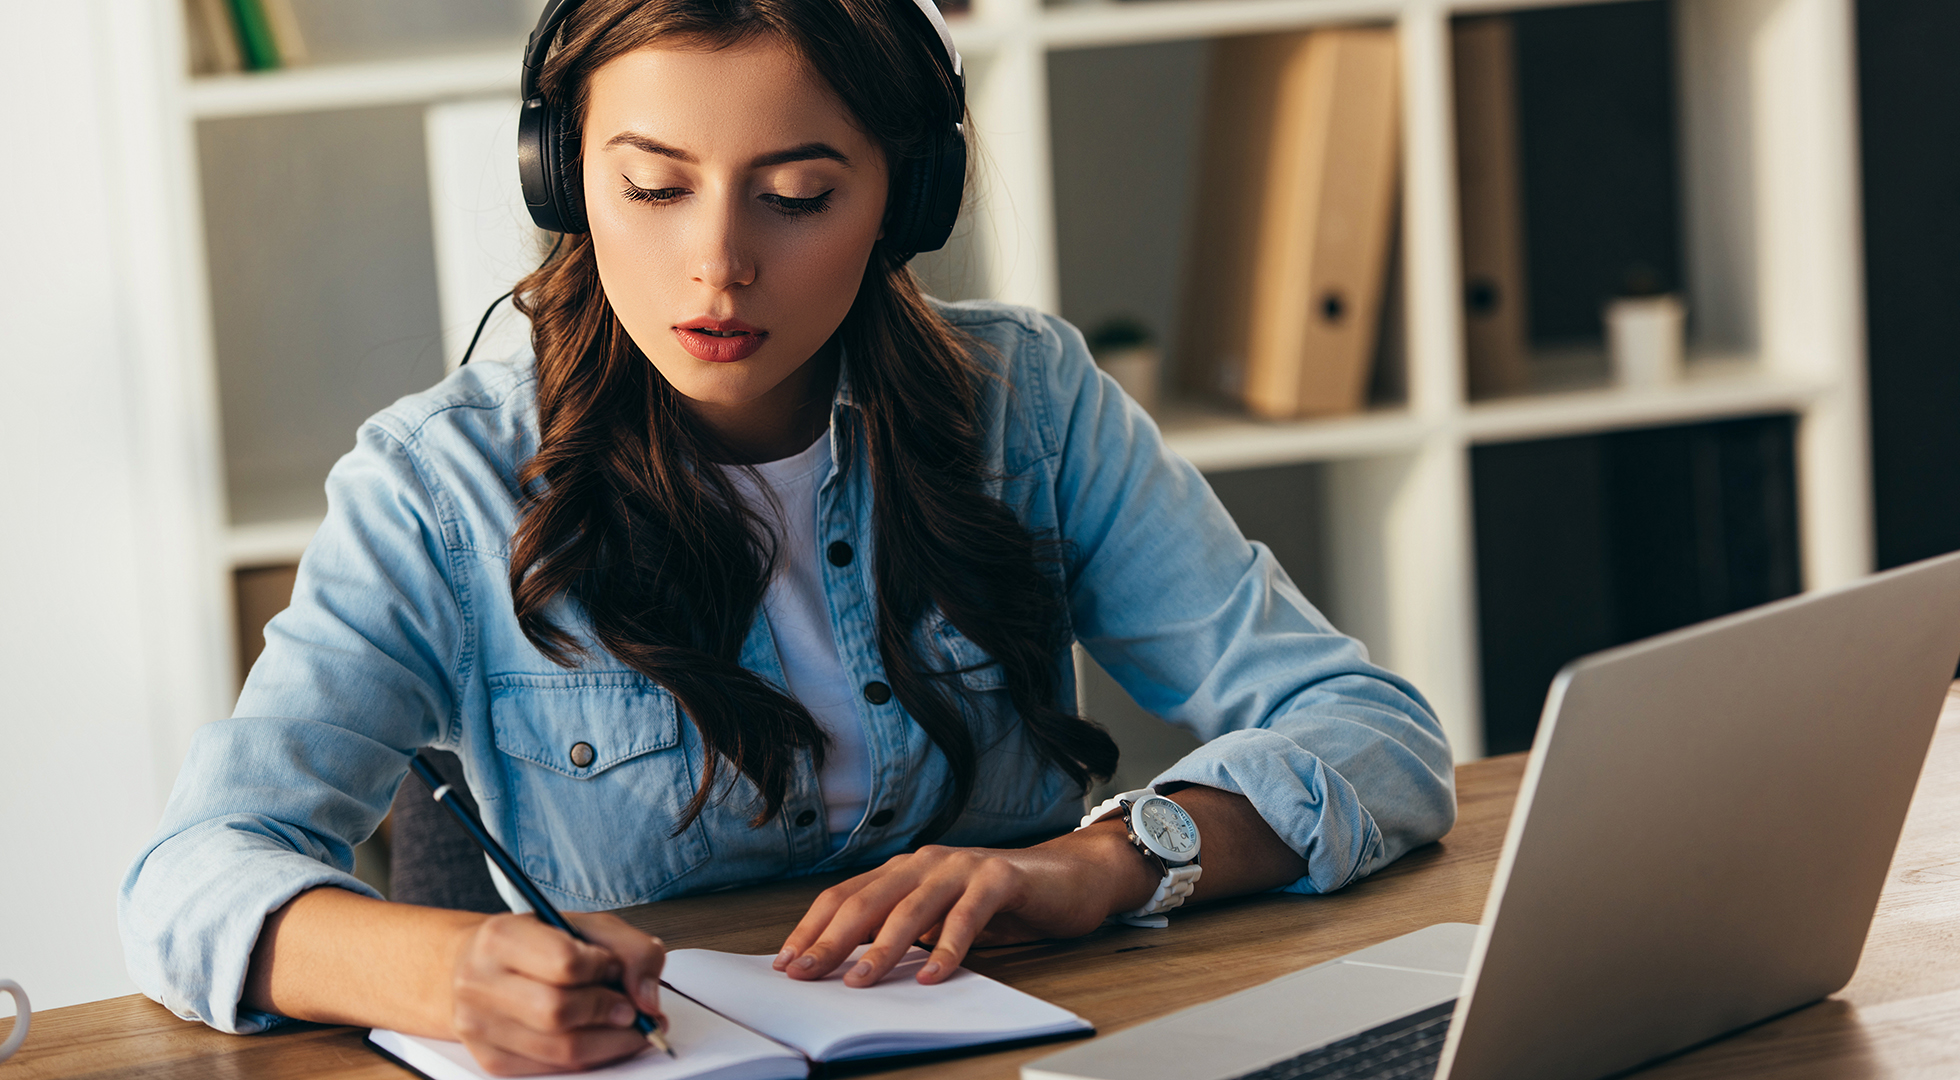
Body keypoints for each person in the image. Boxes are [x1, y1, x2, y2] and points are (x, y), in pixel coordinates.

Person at [118, 0, 1455, 1073]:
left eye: (798, 196)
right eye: (650, 187)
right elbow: (191, 876)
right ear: (564, 175)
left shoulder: (1031, 409)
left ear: (901, 200)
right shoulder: (439, 483)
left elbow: (1373, 734)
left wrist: (1100, 867)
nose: (717, 265)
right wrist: (441, 966)